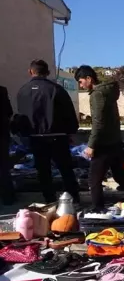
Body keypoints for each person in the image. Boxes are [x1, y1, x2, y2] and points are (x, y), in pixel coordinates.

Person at [74, 66, 124, 210]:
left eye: (81, 81)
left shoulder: (97, 94)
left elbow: (98, 122)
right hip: (115, 141)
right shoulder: (108, 91)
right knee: (119, 175)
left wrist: (91, 145)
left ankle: (98, 208)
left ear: (89, 79)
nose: (81, 85)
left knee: (94, 179)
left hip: (103, 144)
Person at [15, 60, 80, 203]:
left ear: (30, 71)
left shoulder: (23, 91)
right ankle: (73, 198)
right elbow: (69, 113)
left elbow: (21, 117)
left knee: (43, 172)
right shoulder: (56, 89)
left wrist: (23, 135)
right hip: (58, 137)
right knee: (65, 169)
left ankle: (49, 199)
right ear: (48, 72)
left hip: (35, 138)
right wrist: (71, 131)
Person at [0, 85, 15, 205]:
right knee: (3, 167)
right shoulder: (2, 90)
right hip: (1, 134)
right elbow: (9, 112)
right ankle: (8, 197)